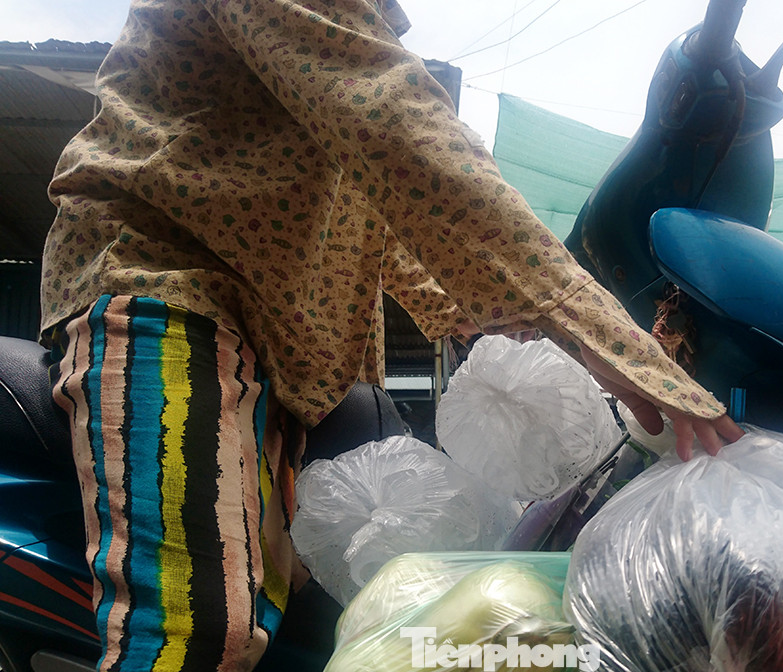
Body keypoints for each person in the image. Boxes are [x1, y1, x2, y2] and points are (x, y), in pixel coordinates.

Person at [40, 0, 743, 669]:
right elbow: (392, 124)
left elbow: (371, 204)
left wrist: (474, 312)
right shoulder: (340, 41)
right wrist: (594, 329)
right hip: (166, 288)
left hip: (278, 349)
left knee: (305, 616)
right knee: (198, 627)